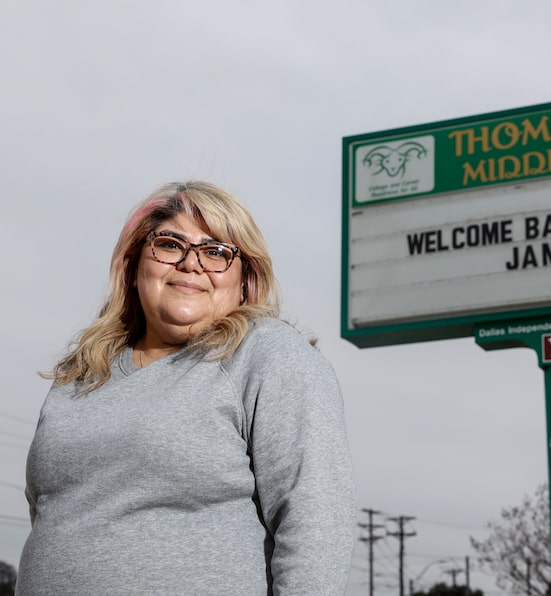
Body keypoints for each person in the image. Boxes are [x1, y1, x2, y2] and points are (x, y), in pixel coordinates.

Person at [17, 181, 357, 595]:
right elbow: (50, 512)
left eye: (216, 252)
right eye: (170, 245)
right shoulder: (81, 373)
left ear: (245, 279)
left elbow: (316, 516)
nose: (191, 264)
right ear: (135, 264)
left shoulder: (264, 353)